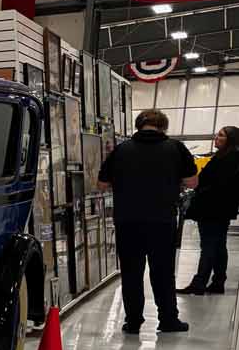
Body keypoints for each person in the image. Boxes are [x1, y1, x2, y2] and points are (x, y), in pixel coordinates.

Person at [97, 108, 198, 334]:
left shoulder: (121, 150)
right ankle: (168, 319)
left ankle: (133, 321)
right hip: (162, 221)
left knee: (131, 272)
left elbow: (101, 184)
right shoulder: (176, 148)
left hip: (127, 221)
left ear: (138, 125)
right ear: (163, 126)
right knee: (162, 272)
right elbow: (192, 182)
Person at [177, 126, 239, 295]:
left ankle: (199, 283)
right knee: (218, 245)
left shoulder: (228, 159)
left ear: (230, 139)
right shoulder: (227, 157)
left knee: (209, 245)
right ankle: (218, 281)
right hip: (220, 209)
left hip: (212, 209)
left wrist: (199, 189)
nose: (216, 137)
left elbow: (217, 184)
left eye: (221, 135)